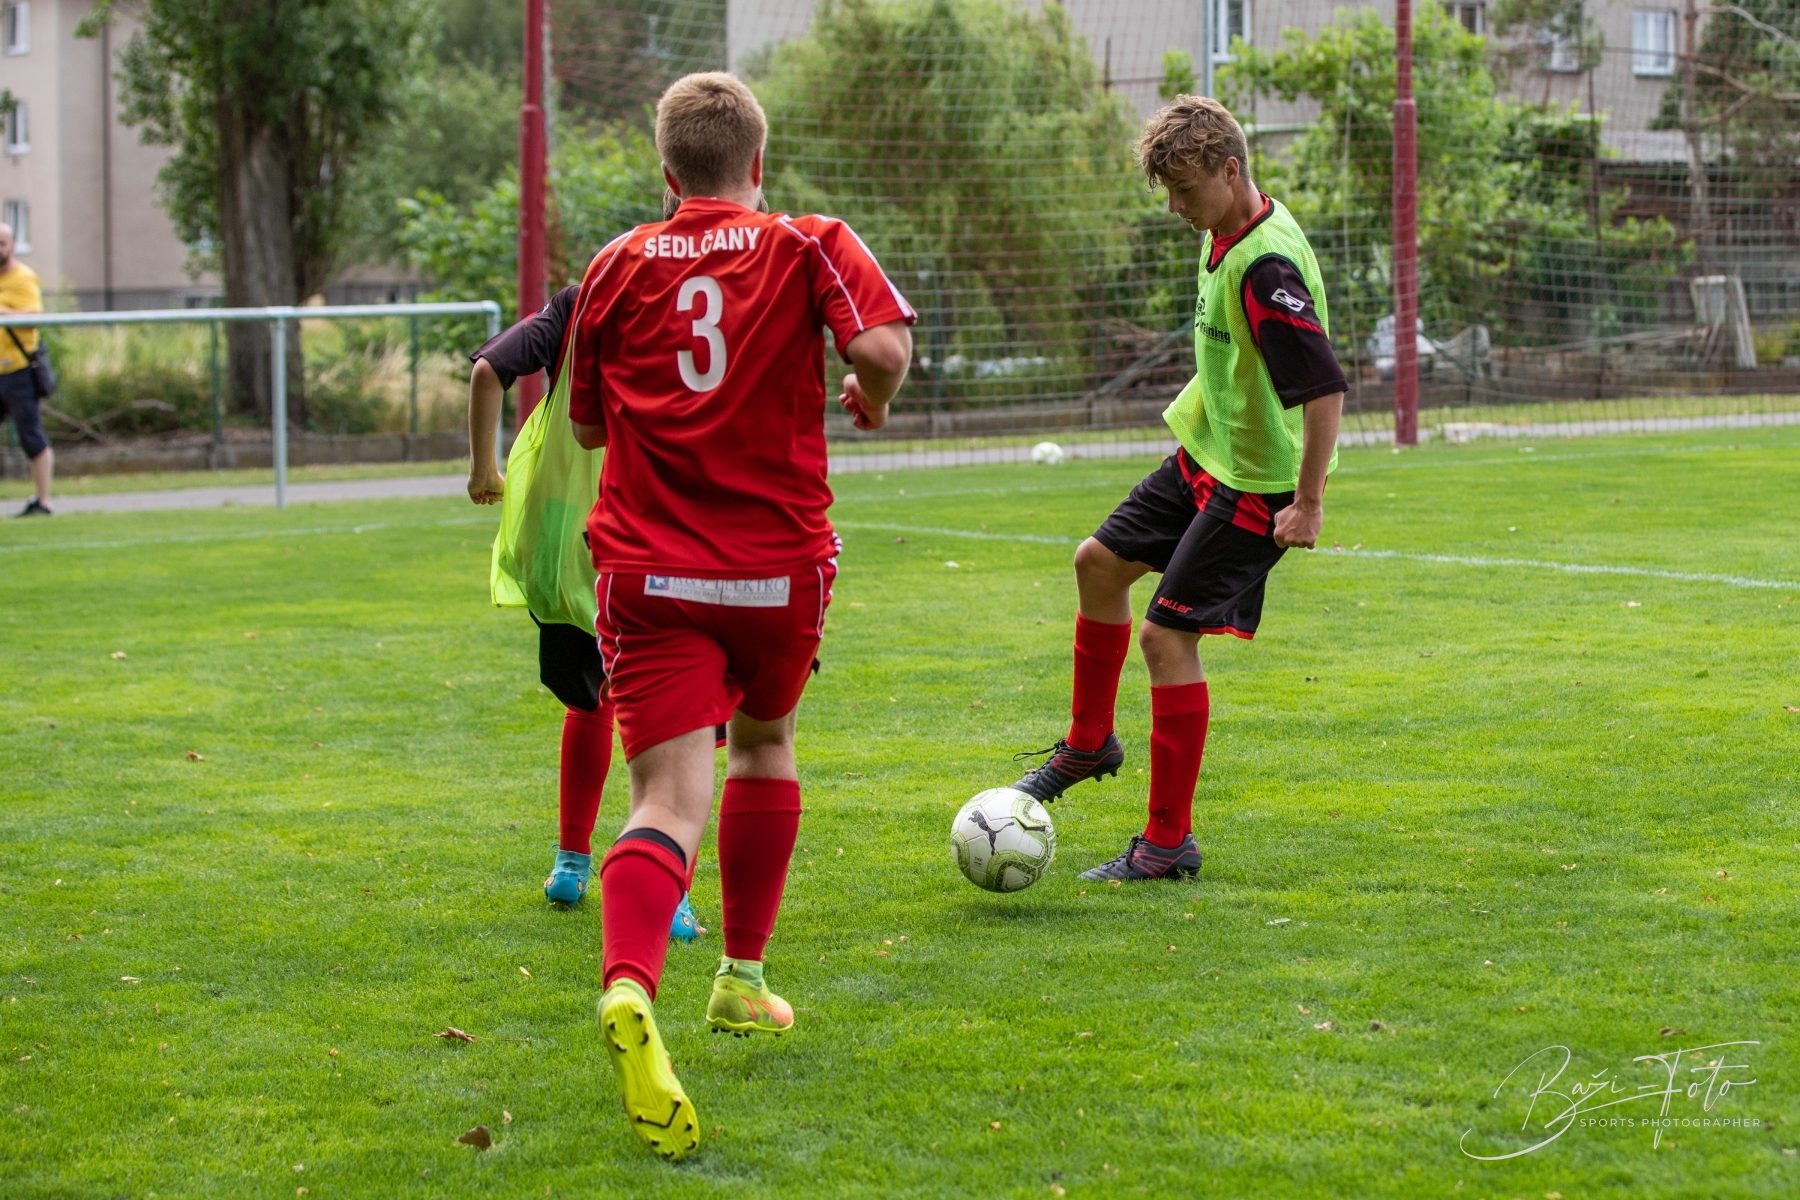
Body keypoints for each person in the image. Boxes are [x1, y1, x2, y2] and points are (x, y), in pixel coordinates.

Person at [566, 72, 912, 1159]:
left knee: (666, 797)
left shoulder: (615, 263)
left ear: (667, 173)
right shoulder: (808, 243)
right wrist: (870, 400)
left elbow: (585, 429)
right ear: (757, 162)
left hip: (648, 573)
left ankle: (632, 984)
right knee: (764, 745)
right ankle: (743, 978)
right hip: (775, 571)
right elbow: (882, 351)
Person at [1010, 95, 1345, 883]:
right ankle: (1089, 743)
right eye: (1167, 190)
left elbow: (1324, 389)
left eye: (1185, 190)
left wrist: (1308, 503)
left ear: (1231, 170)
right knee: (1097, 564)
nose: (1174, 207)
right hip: (1208, 454)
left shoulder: (1266, 267)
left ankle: (1167, 845)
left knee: (1166, 637)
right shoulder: (1223, 228)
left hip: (1260, 482)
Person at [467, 289, 703, 940]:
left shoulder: (578, 303)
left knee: (589, 700)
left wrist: (484, 468)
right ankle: (673, 896)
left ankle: (571, 865)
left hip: (565, 539)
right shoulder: (695, 298)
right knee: (675, 719)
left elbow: (487, 370)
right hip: (655, 526)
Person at [0, 223, 52, 517]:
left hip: (18, 370)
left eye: (2, 243)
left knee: (30, 435)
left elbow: (32, 317)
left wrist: (3, 311)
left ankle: (42, 502)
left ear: (13, 245)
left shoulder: (23, 278)